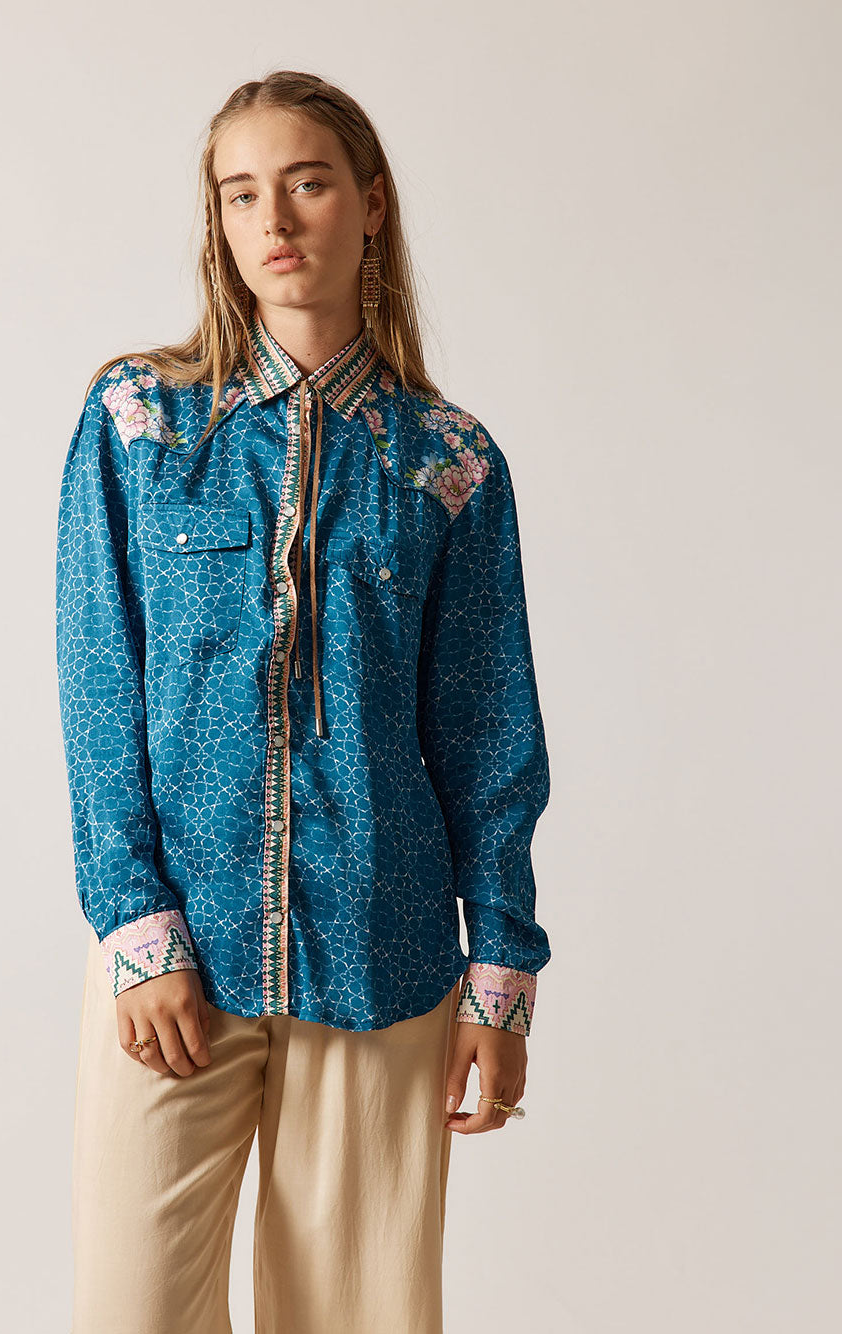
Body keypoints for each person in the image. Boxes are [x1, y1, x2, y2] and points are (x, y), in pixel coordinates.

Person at [56, 69, 552, 1334]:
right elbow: (99, 686)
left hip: (385, 952)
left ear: (370, 205)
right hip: (179, 956)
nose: (273, 218)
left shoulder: (448, 461)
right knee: (131, 1310)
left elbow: (488, 732)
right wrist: (136, 921)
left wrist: (499, 974)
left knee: (356, 1317)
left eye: (307, 182)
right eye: (240, 193)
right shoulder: (139, 422)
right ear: (216, 222)